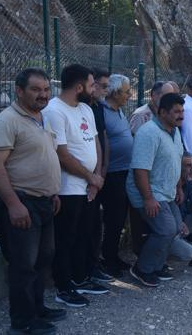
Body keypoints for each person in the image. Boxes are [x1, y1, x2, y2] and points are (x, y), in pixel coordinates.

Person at [0, 68, 66, 334]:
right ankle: (22, 323)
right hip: (22, 202)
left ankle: (38, 310)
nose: (43, 95)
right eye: (35, 89)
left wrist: (52, 192)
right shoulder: (6, 121)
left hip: (44, 202)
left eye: (45, 90)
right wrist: (13, 204)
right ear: (19, 91)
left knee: (43, 260)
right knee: (23, 265)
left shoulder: (41, 118)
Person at [43, 64, 108, 308]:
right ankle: (64, 286)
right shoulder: (54, 111)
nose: (94, 90)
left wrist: (96, 177)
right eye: (92, 85)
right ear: (79, 87)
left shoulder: (85, 109)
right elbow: (62, 154)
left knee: (85, 235)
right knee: (66, 239)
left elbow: (95, 144)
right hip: (68, 188)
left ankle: (80, 278)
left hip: (90, 186)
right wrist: (90, 177)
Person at [126, 93, 186, 287]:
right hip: (150, 192)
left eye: (182, 111)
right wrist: (148, 198)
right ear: (162, 112)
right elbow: (140, 169)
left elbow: (176, 161)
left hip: (167, 192)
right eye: (176, 111)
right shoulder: (149, 132)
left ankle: (156, 264)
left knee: (175, 227)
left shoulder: (175, 132)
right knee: (166, 229)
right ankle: (142, 269)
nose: (181, 115)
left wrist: (178, 187)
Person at [128, 81, 178, 255]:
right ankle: (143, 264)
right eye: (165, 96)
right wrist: (147, 196)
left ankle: (155, 261)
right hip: (145, 186)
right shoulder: (143, 119)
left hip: (163, 189)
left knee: (170, 230)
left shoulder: (172, 125)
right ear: (154, 96)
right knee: (153, 228)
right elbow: (139, 160)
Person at [99, 75, 134, 277]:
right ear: (115, 92)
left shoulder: (119, 111)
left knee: (120, 219)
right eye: (127, 91)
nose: (130, 95)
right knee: (113, 219)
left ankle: (113, 255)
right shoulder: (102, 112)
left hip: (124, 172)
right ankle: (107, 259)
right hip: (111, 174)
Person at [87, 69, 113, 284]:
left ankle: (93, 266)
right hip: (86, 181)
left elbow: (102, 139)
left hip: (98, 176)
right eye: (104, 86)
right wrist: (95, 176)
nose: (107, 91)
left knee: (95, 226)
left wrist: (101, 172)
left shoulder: (97, 107)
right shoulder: (85, 108)